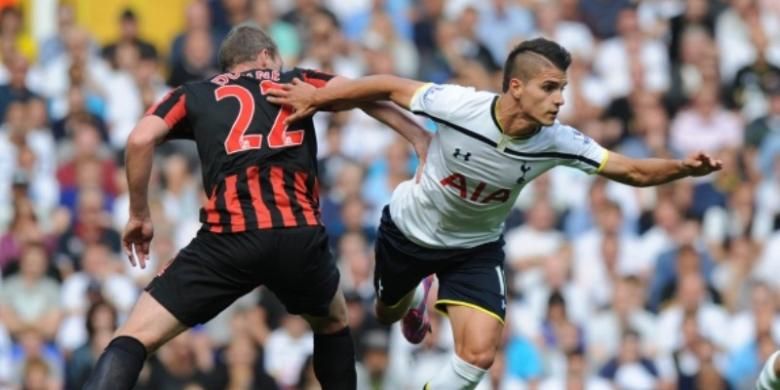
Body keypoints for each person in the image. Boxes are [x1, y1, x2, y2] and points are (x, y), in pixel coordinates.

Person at [267, 37, 722, 388]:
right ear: (516, 87)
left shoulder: (557, 139)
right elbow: (385, 87)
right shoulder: (460, 106)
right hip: (409, 232)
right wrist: (319, 100)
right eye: (549, 88)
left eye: (562, 88)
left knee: (479, 356)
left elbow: (631, 171)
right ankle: (417, 294)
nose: (559, 100)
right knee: (387, 314)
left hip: (475, 248)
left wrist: (681, 168)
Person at [83, 22, 430, 390]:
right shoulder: (295, 80)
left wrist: (139, 214)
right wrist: (417, 136)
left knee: (135, 335)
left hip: (228, 239)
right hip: (297, 234)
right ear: (266, 55)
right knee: (332, 322)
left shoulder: (194, 94)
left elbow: (139, 140)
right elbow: (363, 93)